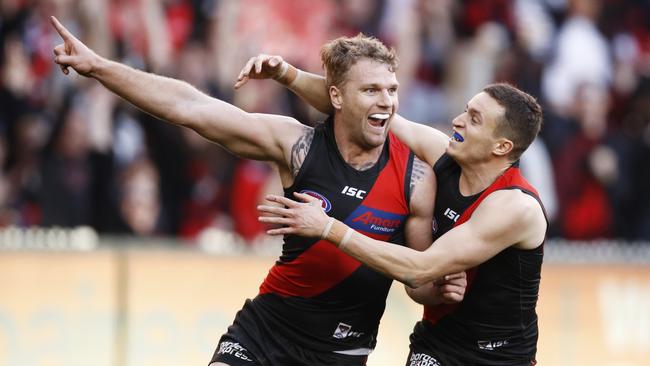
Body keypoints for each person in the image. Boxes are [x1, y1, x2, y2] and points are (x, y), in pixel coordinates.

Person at [50, 19, 466, 366]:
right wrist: (99, 67)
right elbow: (191, 108)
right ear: (335, 96)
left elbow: (417, 279)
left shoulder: (416, 179)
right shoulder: (296, 146)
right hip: (264, 332)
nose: (388, 102)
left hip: (341, 351)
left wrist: (439, 288)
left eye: (391, 90)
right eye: (371, 90)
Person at [252, 55, 547, 365]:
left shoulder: (516, 207)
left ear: (501, 147)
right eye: (465, 111)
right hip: (437, 344)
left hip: (500, 358)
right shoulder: (444, 155)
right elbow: (363, 111)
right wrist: (287, 74)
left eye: (474, 119)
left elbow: (419, 269)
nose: (458, 121)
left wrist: (328, 227)